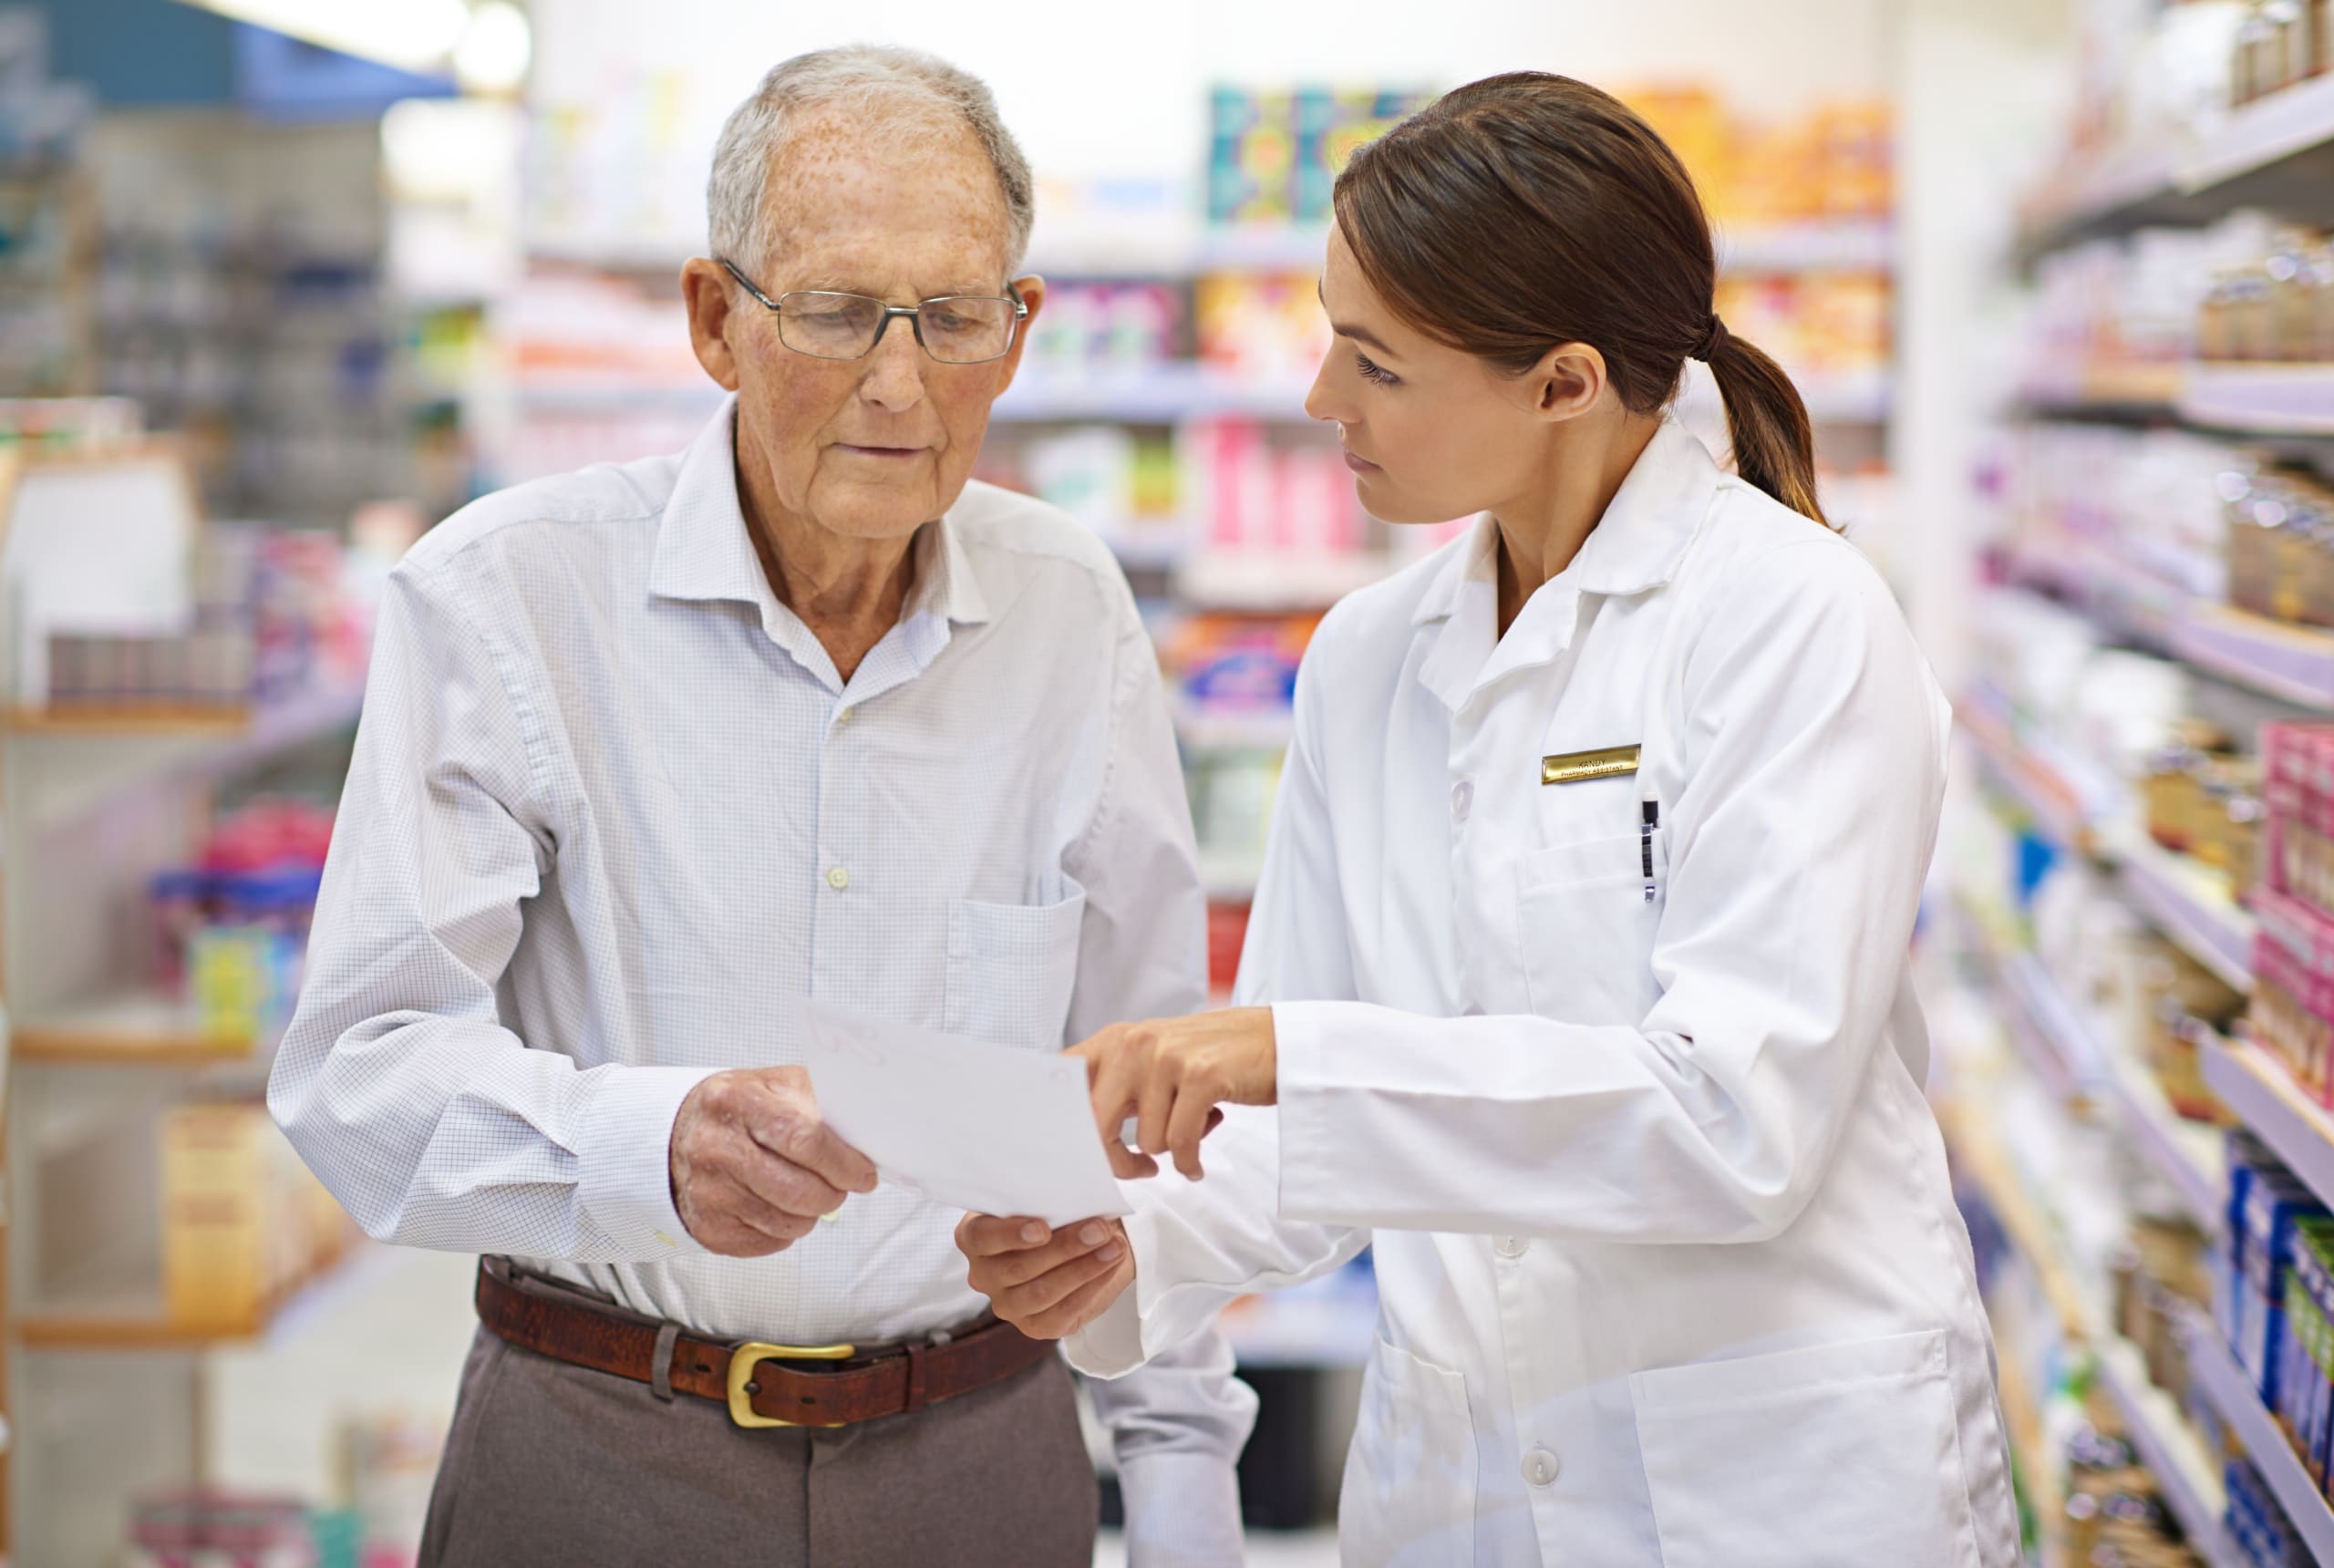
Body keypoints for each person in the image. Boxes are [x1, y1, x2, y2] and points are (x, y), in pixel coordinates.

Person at [961, 71, 2020, 1568]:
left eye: (1374, 363)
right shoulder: (1371, 658)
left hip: (1773, 1486)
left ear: (1565, 383)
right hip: (1463, 1491)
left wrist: (1287, 1055)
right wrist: (1121, 1249)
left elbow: (1733, 1124)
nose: (1321, 400)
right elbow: (1297, 1131)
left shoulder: (1794, 623)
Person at [271, 45, 1253, 1568]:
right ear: (715, 321)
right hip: (602, 1447)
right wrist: (645, 1144)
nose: (899, 381)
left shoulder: (1071, 609)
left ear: (1023, 326)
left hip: (983, 1456)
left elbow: (1156, 1097)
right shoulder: (510, 597)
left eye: (954, 315)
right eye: (839, 311)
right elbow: (357, 1071)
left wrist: (1174, 1453)